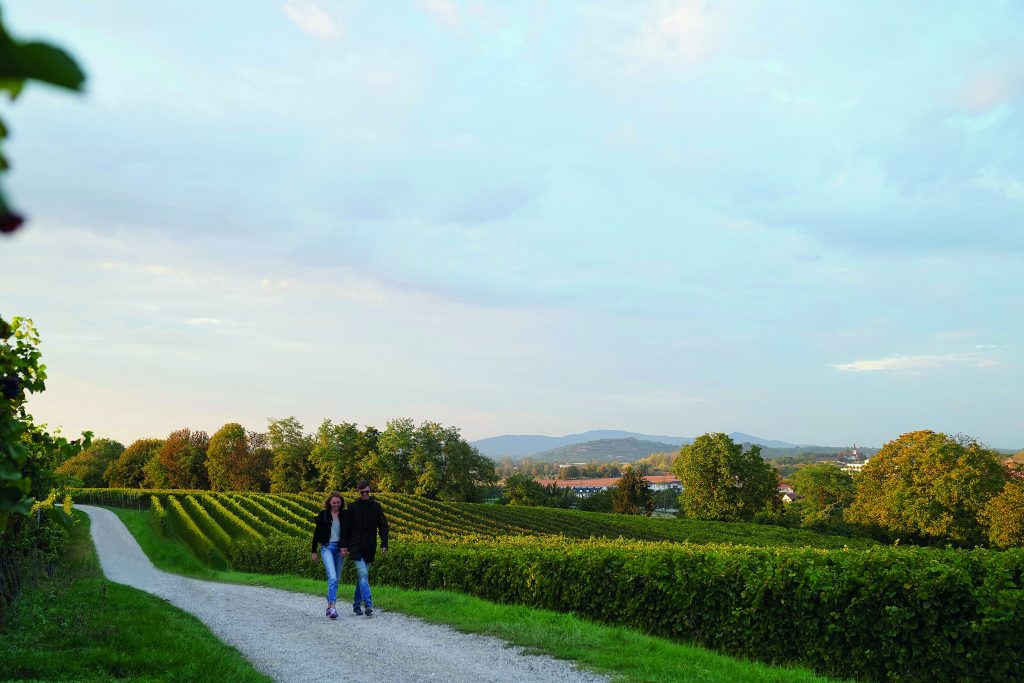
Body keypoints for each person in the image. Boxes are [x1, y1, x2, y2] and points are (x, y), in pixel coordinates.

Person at [340, 479, 388, 616]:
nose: (365, 494)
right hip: (355, 547)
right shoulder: (352, 507)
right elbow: (346, 528)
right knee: (363, 574)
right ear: (358, 492)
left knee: (363, 577)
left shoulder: (377, 507)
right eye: (362, 492)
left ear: (370, 491)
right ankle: (368, 604)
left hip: (370, 547)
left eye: (367, 491)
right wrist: (343, 545)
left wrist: (384, 543)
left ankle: (356, 604)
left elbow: (383, 527)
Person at [310, 491, 346, 619]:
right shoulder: (323, 515)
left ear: (341, 503)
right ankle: (332, 607)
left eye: (338, 502)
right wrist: (314, 551)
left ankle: (330, 600)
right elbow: (316, 534)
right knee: (332, 577)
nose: (335, 504)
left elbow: (348, 533)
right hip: (327, 548)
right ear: (329, 503)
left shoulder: (345, 515)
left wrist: (347, 547)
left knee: (336, 578)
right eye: (333, 502)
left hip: (340, 549)